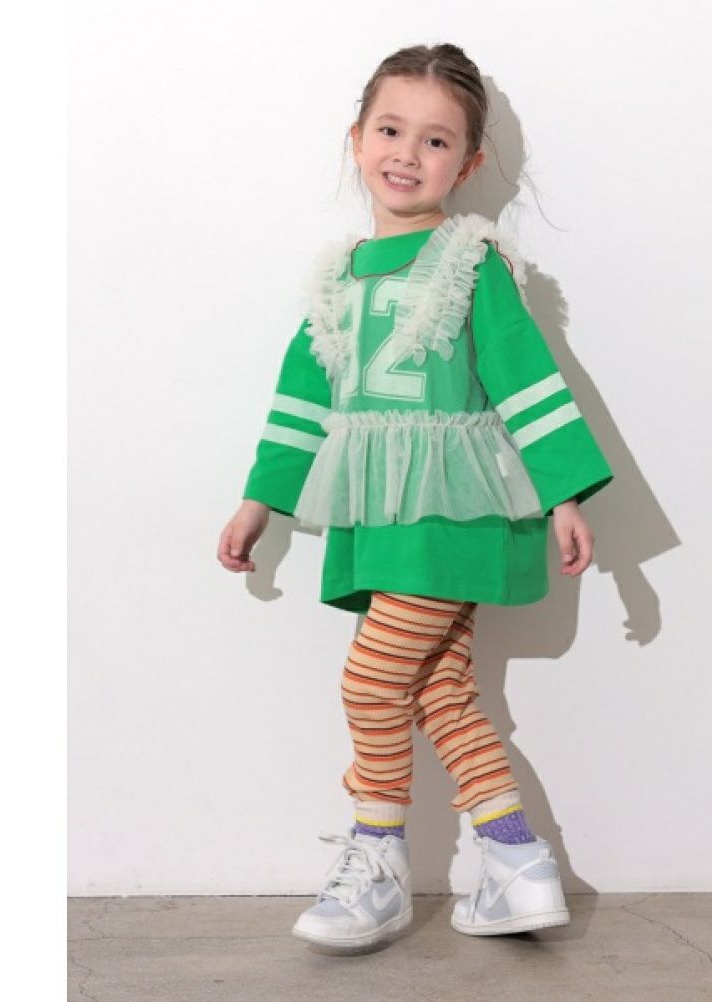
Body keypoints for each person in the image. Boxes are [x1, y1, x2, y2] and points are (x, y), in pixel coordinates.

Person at [217, 42, 614, 950]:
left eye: (436, 141)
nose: (407, 153)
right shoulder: (337, 275)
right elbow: (303, 398)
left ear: (467, 164)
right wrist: (260, 501)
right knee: (439, 688)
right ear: (356, 139)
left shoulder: (471, 260)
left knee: (369, 680)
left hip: (452, 511)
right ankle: (516, 863)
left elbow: (524, 374)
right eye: (390, 131)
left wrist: (565, 495)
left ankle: (379, 859)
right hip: (379, 512)